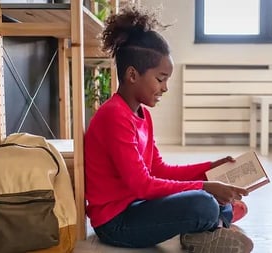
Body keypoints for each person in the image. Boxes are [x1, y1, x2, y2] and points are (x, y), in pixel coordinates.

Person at [84, 6, 253, 253]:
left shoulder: (142, 115)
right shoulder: (114, 116)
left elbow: (159, 169)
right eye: (160, 79)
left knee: (219, 202)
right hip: (116, 223)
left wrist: (209, 169)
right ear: (133, 75)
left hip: (137, 205)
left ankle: (209, 227)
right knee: (204, 203)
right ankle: (210, 226)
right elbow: (143, 185)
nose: (165, 88)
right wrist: (205, 187)